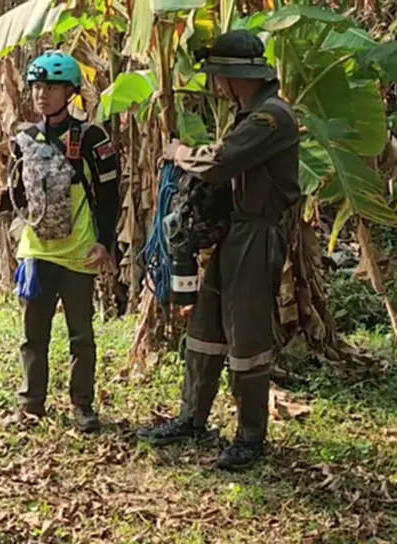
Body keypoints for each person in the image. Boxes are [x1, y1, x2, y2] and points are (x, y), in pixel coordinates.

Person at [136, 30, 301, 471]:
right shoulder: (249, 113)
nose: (214, 85)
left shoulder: (272, 117)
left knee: (246, 336)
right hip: (235, 231)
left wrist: (179, 152)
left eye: (218, 76)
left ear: (232, 77)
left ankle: (250, 435)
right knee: (206, 327)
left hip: (257, 233)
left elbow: (220, 161)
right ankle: (192, 415)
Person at [0, 50, 121, 434]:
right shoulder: (25, 137)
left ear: (70, 92)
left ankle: (82, 406)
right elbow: (24, 191)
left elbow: (109, 196)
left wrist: (105, 244)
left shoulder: (92, 138)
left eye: (52, 87)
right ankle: (31, 405)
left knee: (81, 335)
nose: (42, 94)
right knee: (32, 334)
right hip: (37, 253)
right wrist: (1, 201)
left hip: (78, 252)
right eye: (37, 86)